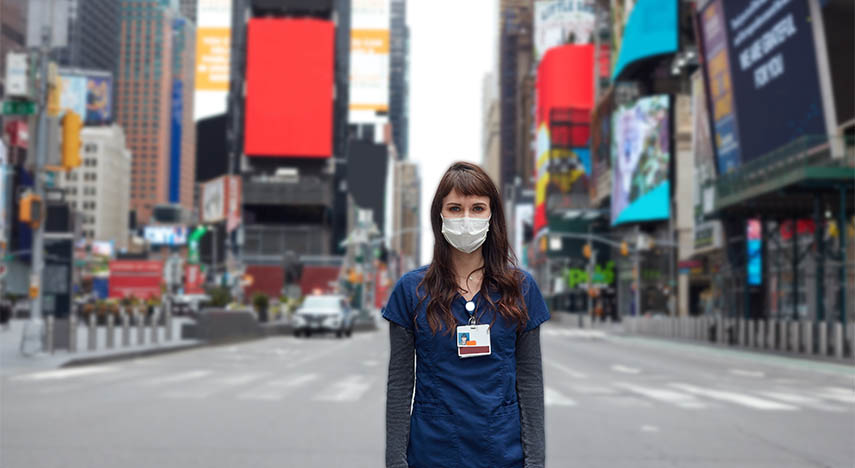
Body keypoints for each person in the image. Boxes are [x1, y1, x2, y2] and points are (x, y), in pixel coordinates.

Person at [384, 162, 550, 468]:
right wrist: (395, 462)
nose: (466, 219)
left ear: (492, 216)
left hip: (503, 453)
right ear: (440, 216)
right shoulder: (411, 291)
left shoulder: (521, 289)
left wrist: (536, 463)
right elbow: (399, 385)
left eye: (477, 208)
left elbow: (530, 385)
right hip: (432, 453)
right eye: (455, 208)